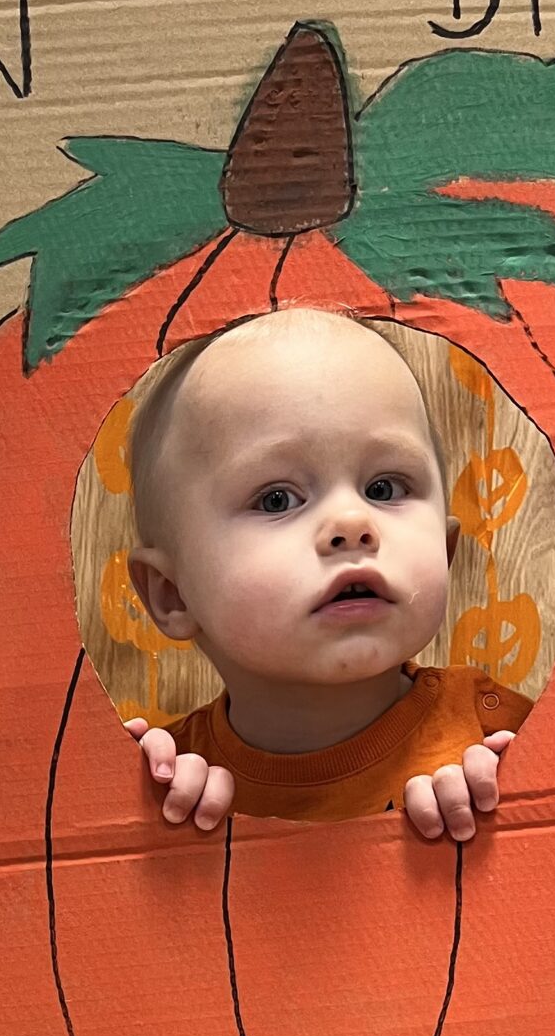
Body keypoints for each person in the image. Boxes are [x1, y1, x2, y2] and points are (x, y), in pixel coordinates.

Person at [120, 306, 531, 843]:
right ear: (173, 595)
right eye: (276, 499)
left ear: (446, 550)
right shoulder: (175, 776)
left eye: (384, 488)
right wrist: (147, 806)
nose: (352, 524)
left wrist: (510, 790)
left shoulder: (494, 730)